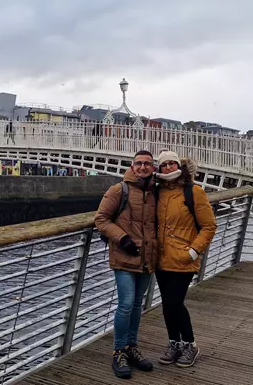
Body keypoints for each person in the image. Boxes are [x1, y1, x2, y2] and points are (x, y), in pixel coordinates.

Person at [94, 150, 157, 379]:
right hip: (124, 254)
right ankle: (119, 351)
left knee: (137, 304)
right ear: (132, 166)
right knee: (126, 303)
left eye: (147, 164)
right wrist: (123, 238)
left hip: (147, 257)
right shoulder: (119, 190)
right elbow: (101, 219)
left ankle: (131, 347)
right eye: (138, 163)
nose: (142, 167)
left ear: (153, 168)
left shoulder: (155, 192)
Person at [155, 150, 217, 368]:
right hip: (161, 258)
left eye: (172, 163)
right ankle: (174, 343)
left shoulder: (194, 192)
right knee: (167, 305)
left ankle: (190, 344)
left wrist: (193, 252)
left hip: (184, 258)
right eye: (164, 165)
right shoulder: (157, 192)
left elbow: (209, 226)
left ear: (179, 166)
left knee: (175, 302)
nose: (168, 168)